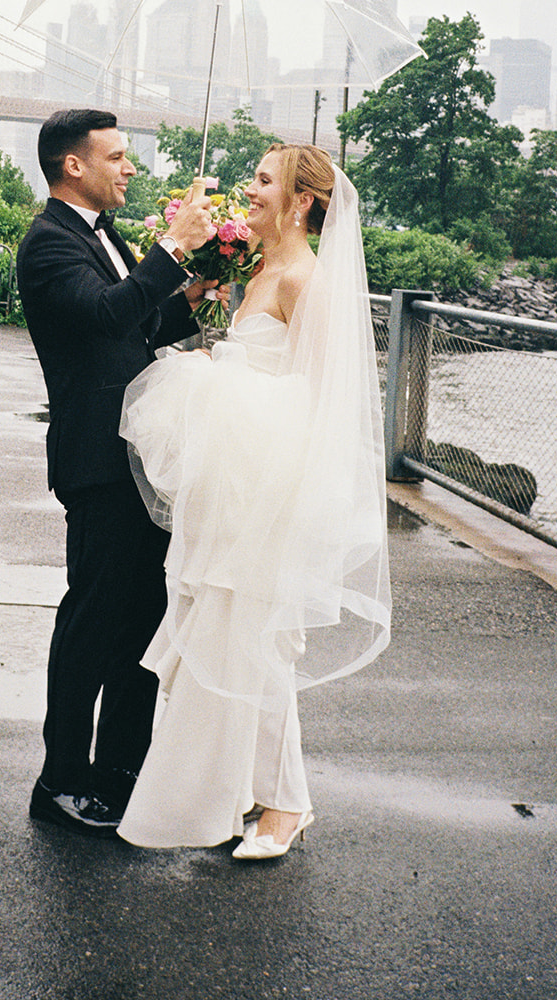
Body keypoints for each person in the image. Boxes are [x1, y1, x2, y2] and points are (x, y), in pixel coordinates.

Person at [117, 143, 391, 858]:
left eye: (266, 181)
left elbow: (318, 400)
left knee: (257, 645)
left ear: (303, 202)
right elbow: (257, 364)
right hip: (232, 489)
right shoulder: (256, 268)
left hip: (268, 491)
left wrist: (221, 383)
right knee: (241, 643)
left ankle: (282, 806)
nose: (253, 190)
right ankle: (276, 802)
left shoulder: (307, 278)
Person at [16, 108, 216, 836]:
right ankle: (61, 781)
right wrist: (170, 249)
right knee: (92, 622)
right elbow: (101, 317)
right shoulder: (48, 245)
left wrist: (184, 299)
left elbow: (136, 327)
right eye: (118, 157)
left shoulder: (110, 238)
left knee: (143, 620)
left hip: (144, 460)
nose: (130, 168)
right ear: (75, 165)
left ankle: (121, 776)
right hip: (99, 460)